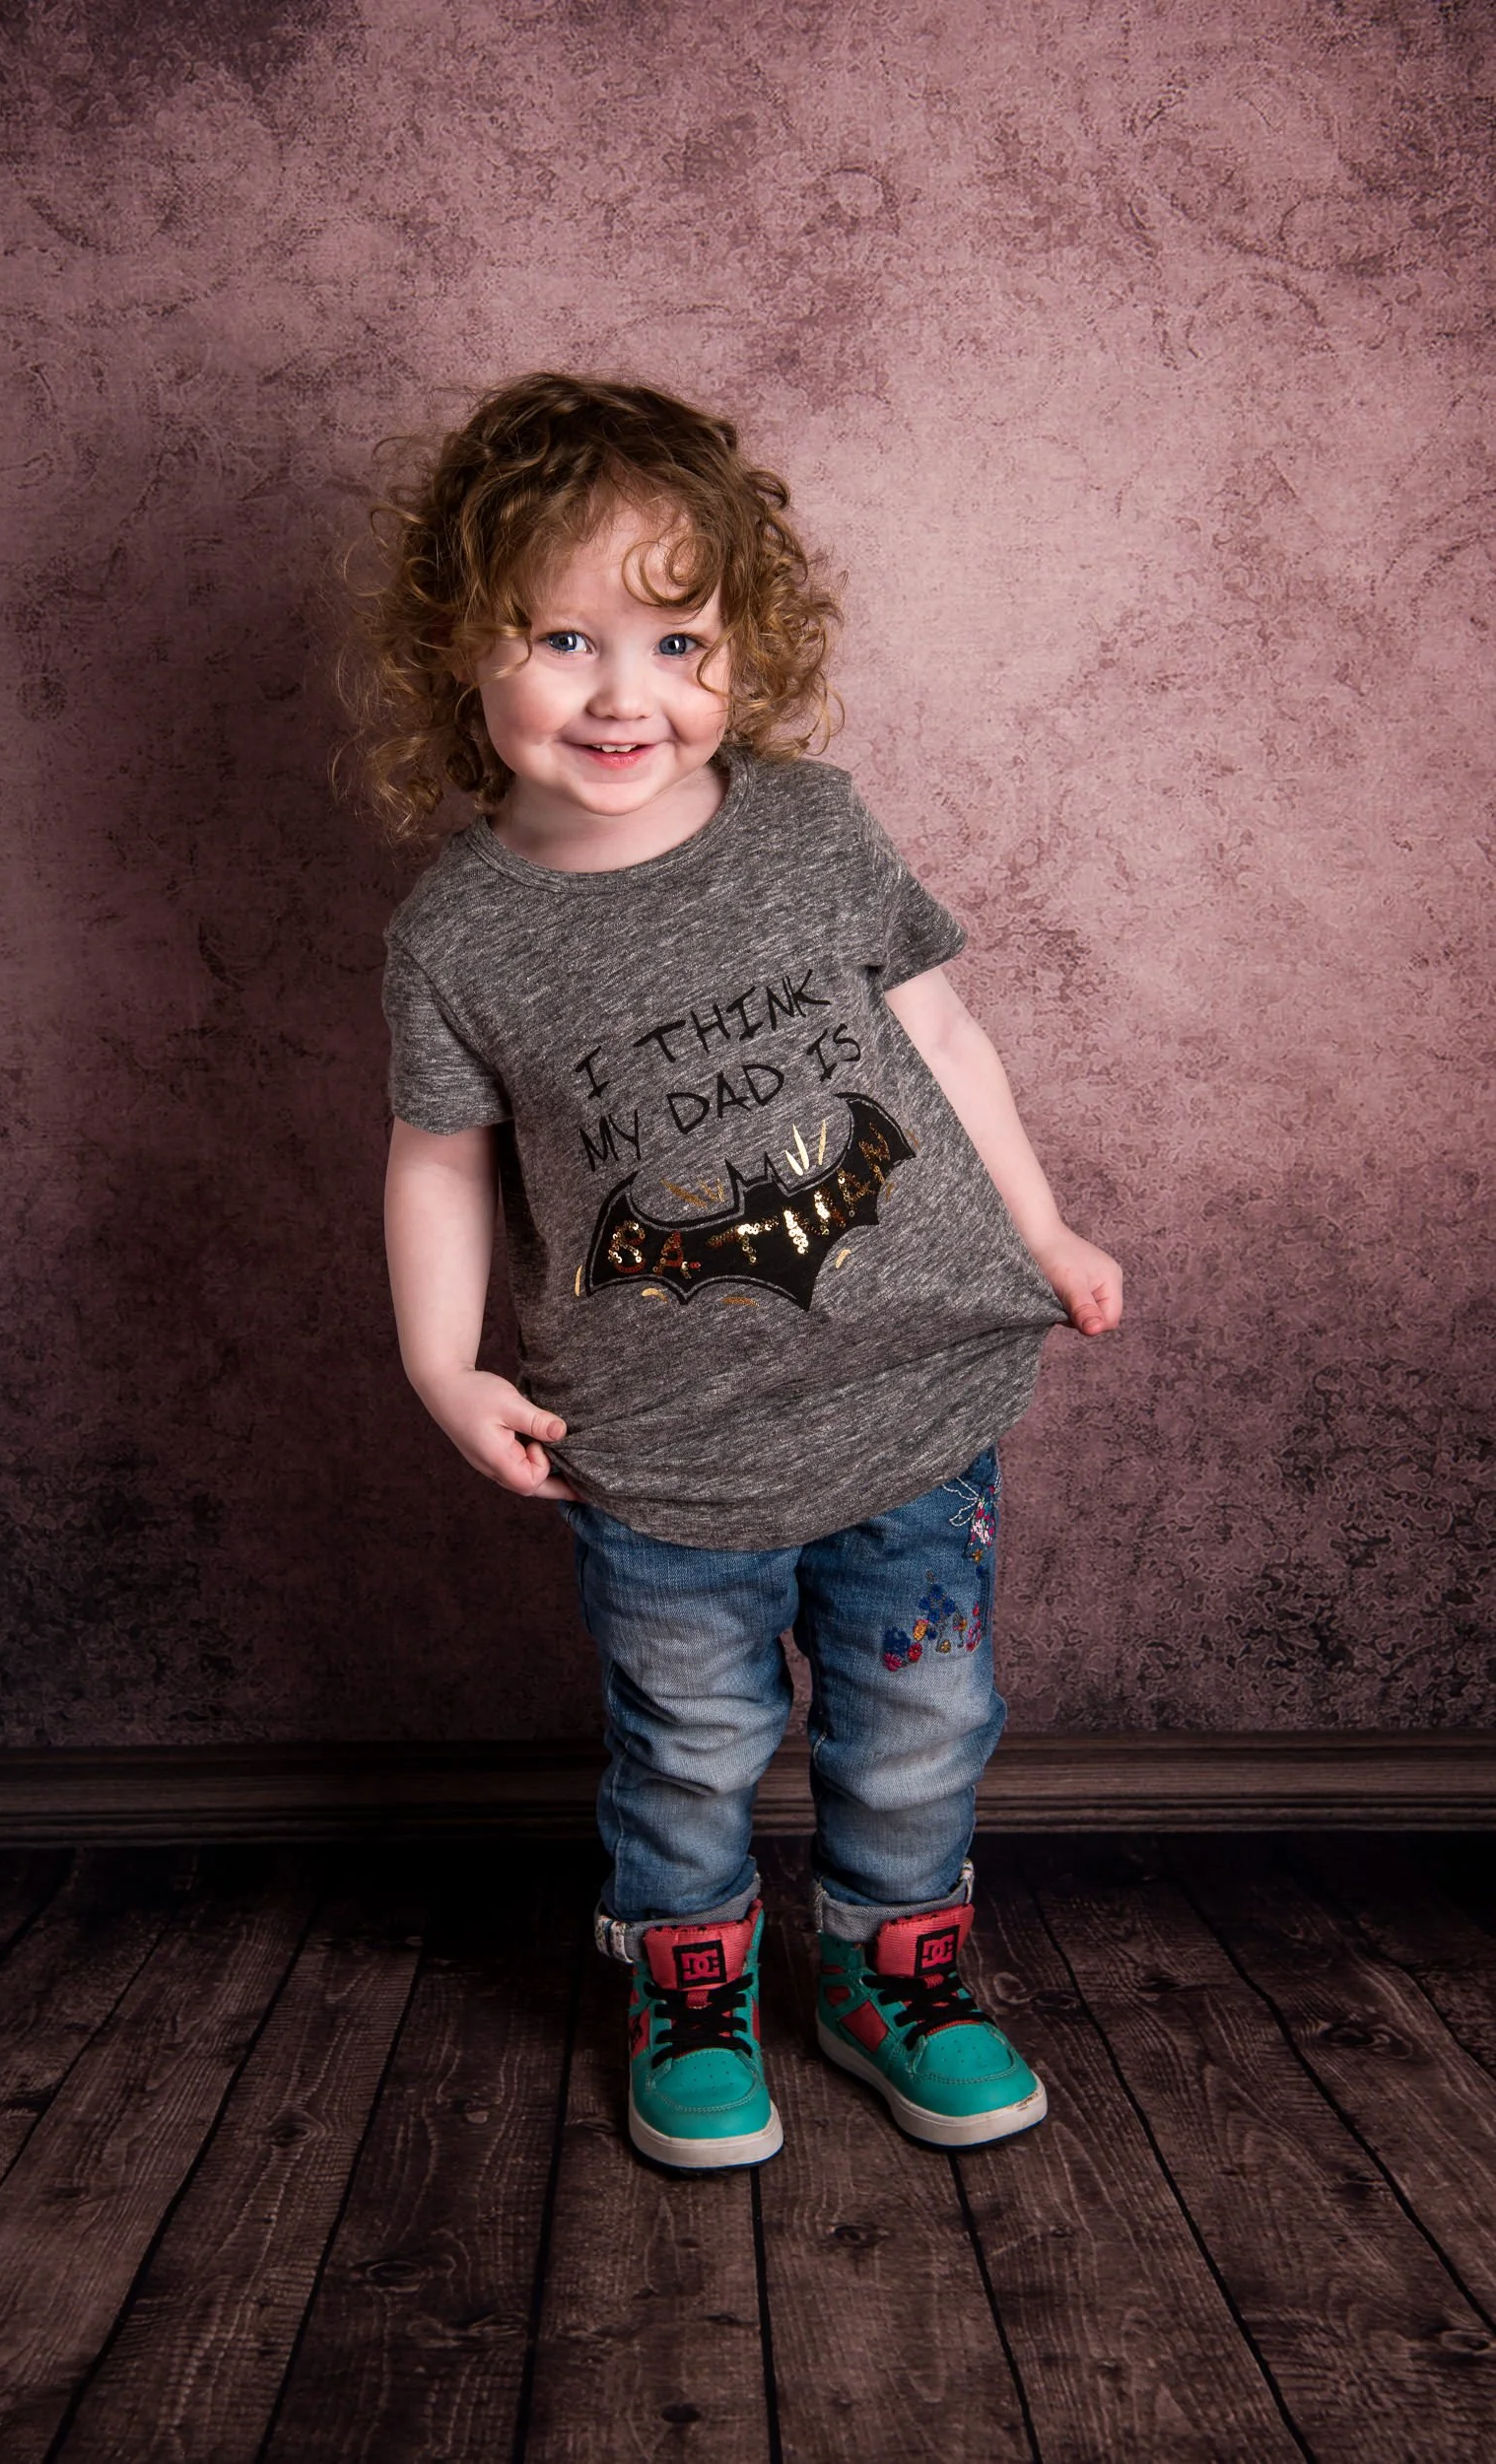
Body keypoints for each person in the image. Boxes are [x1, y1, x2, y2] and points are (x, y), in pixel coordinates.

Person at [358, 372, 1122, 2170]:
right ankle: (687, 1992)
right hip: (667, 1451)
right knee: (690, 1748)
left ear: (741, 642)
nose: (629, 695)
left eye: (678, 637)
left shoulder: (814, 827)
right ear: (460, 653)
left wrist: (1039, 1225)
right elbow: (436, 1163)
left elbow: (945, 1041)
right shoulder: (461, 938)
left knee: (923, 1719)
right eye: (564, 636)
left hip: (910, 1402)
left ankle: (893, 1975)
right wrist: (439, 1365)